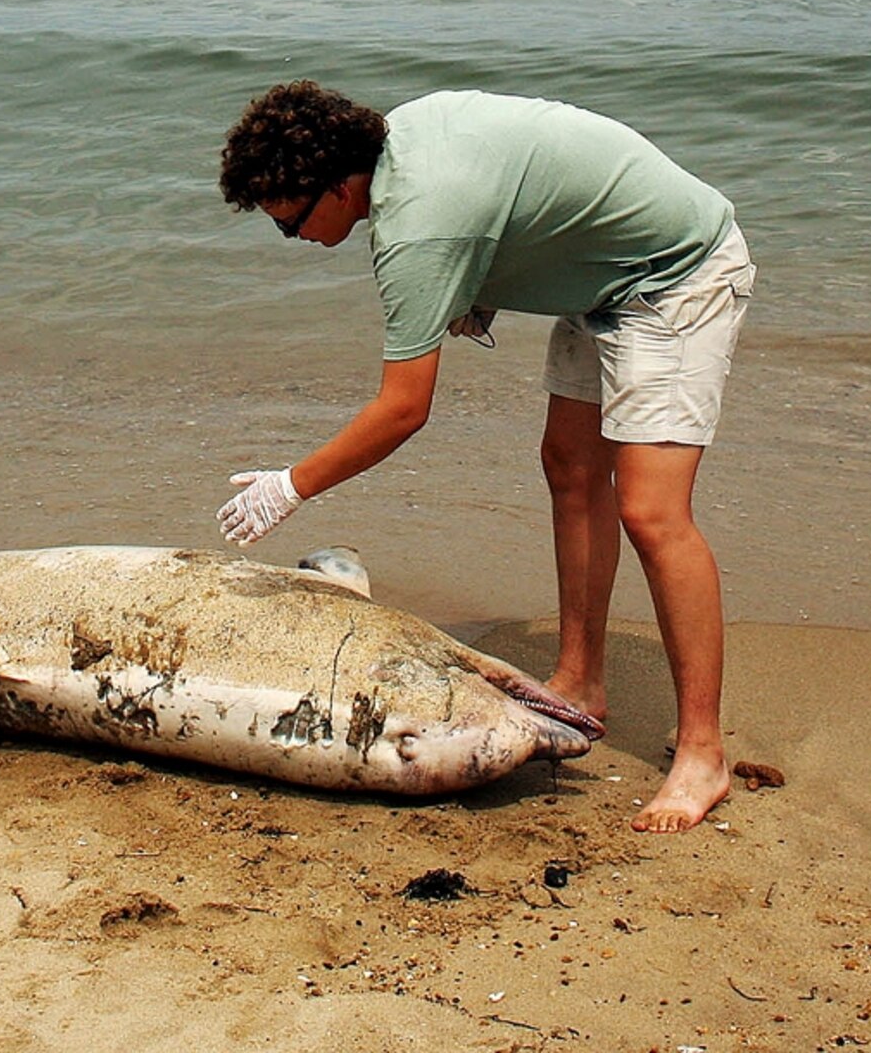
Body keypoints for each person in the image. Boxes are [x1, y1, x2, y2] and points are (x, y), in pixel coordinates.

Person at [214, 83, 755, 833]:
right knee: (569, 466)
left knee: (651, 509)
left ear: (340, 186)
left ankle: (703, 752)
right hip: (599, 272)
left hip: (672, 273)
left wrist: (290, 487)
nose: (293, 238)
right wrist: (480, 284)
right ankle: (580, 682)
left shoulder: (417, 226)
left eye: (292, 222)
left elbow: (403, 408)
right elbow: (515, 185)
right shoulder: (402, 143)